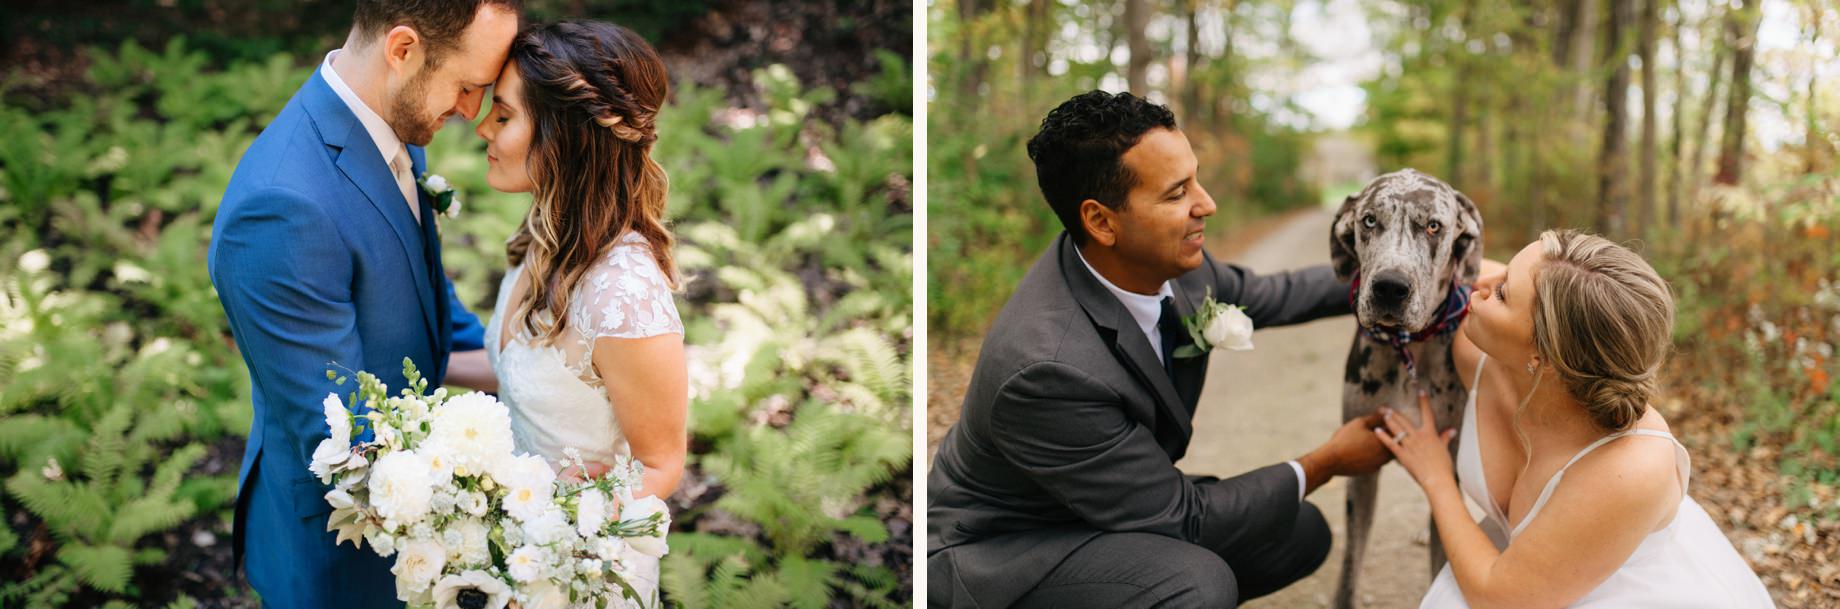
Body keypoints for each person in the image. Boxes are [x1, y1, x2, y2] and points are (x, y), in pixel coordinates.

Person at [926, 90, 1394, 609]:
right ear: (1101, 221)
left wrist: (1408, 282)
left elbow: (1276, 294)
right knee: (1195, 583)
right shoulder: (1046, 368)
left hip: (1096, 507)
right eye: (1177, 195)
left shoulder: (1168, 265)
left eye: (1195, 179)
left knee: (1295, 530)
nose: (1207, 204)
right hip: (1001, 552)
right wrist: (1326, 462)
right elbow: (1182, 516)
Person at [209, 1, 517, 606]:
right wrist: (506, 500)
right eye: (467, 86)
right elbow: (345, 439)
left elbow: (425, 305)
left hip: (410, 521)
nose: (470, 112)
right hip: (342, 556)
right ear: (403, 50)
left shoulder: (393, 123)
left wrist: (537, 375)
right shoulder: (280, 208)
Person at [1379, 230, 1775, 608]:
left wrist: (1436, 476)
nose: (1476, 284)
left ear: (1544, 356)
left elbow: (1498, 597)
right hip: (1530, 571)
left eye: (1502, 292)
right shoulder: (1487, 336)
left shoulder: (1629, 468)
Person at [468, 20, 687, 606]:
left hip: (577, 573)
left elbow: (661, 461)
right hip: (505, 553)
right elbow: (519, 371)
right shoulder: (544, 238)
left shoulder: (623, 293)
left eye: (505, 115)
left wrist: (569, 520)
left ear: (563, 136)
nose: (482, 126)